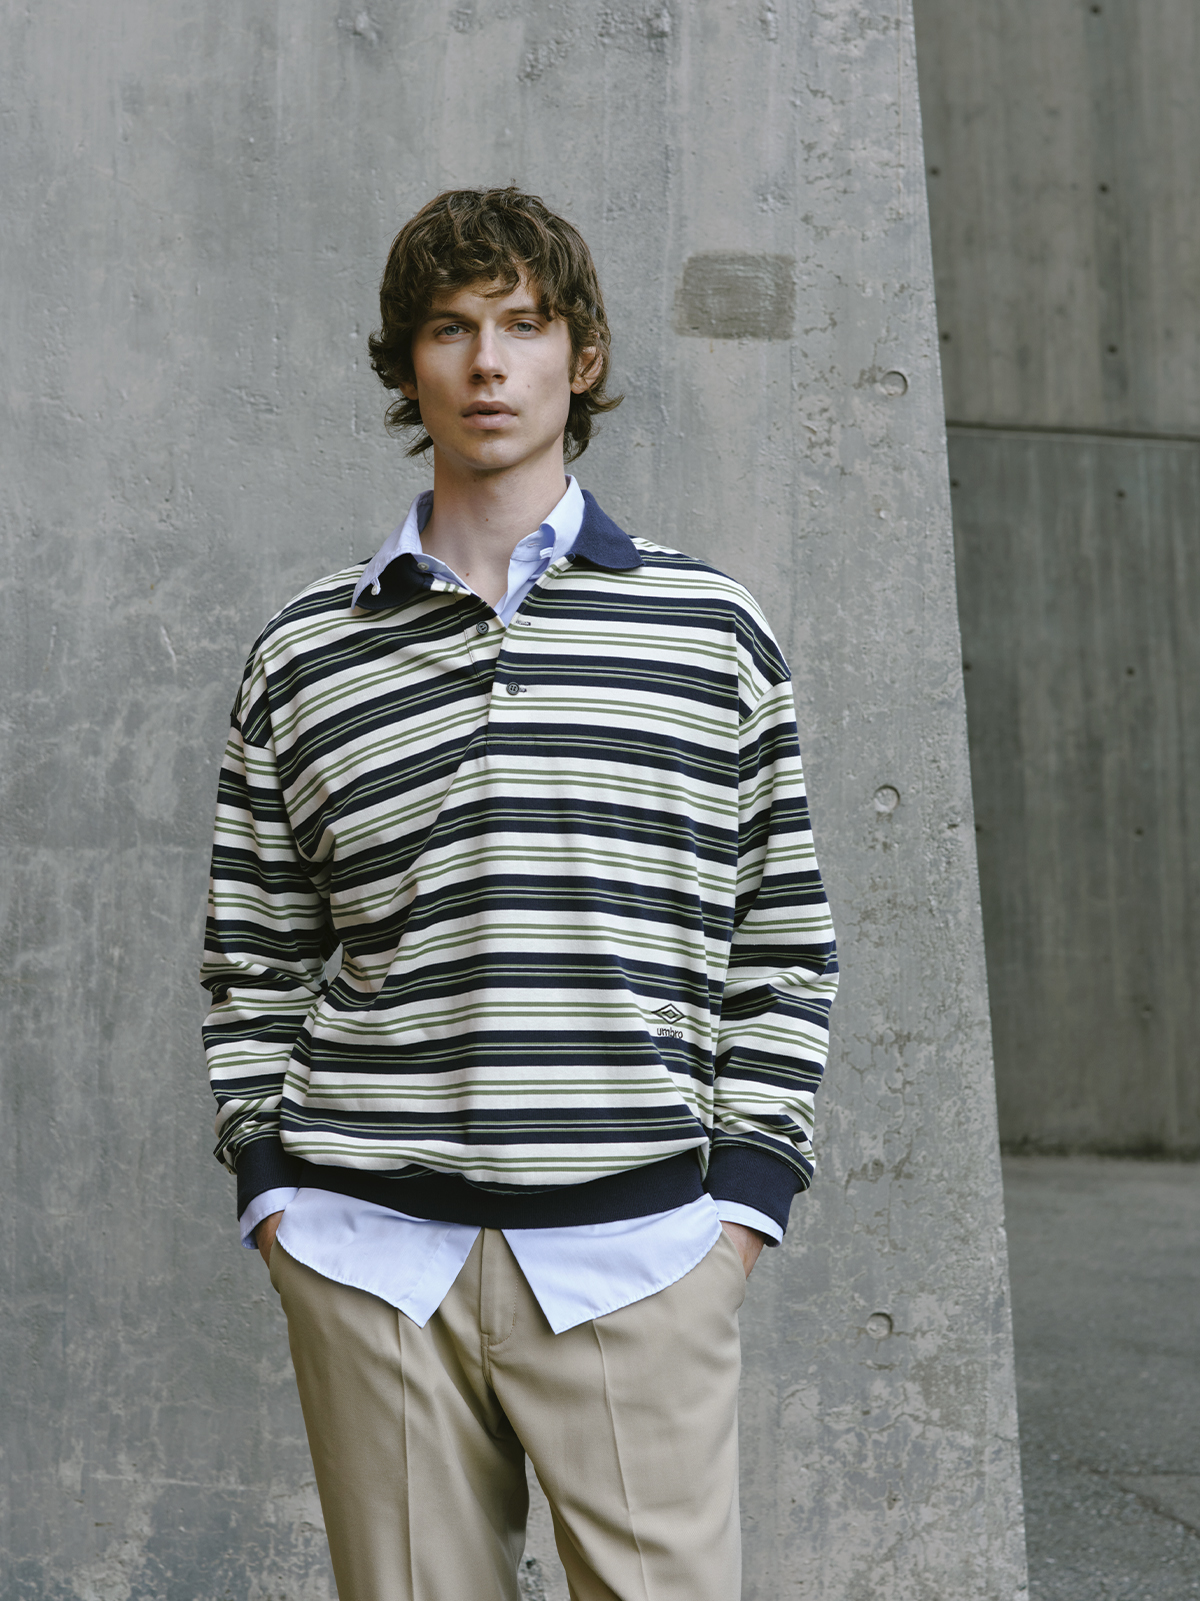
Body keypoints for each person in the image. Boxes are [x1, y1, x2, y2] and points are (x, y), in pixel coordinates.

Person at [201, 186, 837, 1601]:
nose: (488, 362)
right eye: (450, 328)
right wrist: (275, 1191)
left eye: (524, 324)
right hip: (367, 1253)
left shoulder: (710, 632)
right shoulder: (305, 652)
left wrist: (740, 1209)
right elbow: (253, 952)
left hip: (641, 1250)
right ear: (407, 363)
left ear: (581, 356)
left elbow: (783, 944)